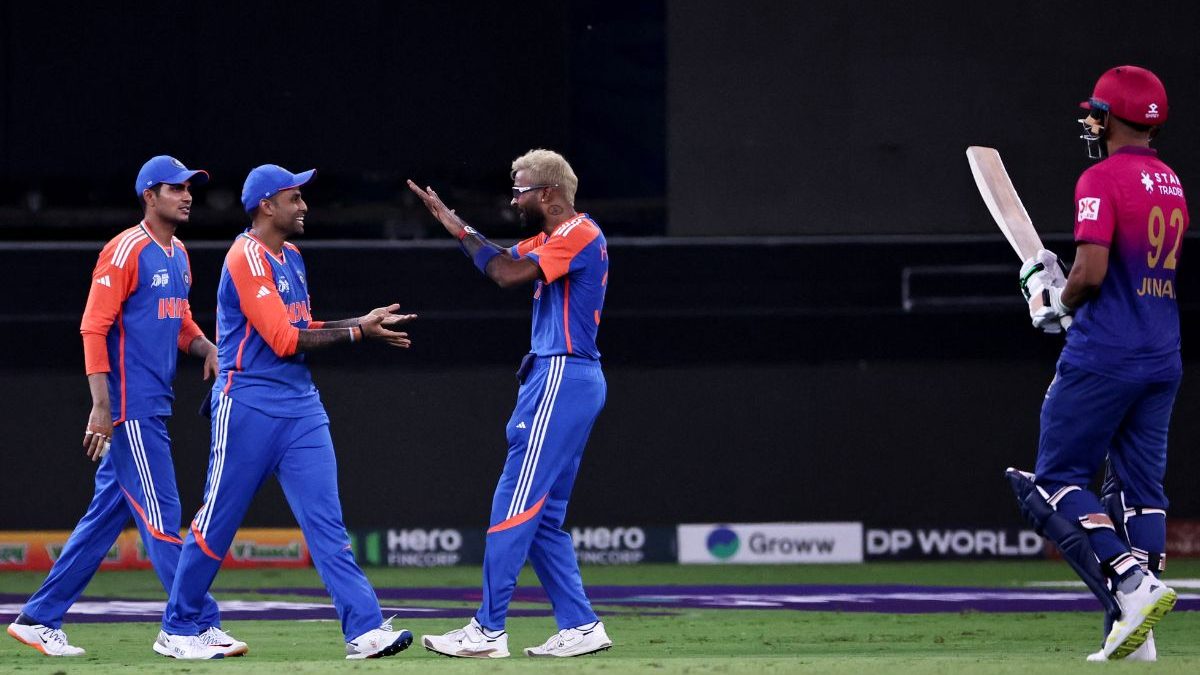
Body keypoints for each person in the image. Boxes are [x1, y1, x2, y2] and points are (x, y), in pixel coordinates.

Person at [154, 164, 417, 660]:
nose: (304, 207)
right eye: (295, 198)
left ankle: (364, 629)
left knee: (327, 524)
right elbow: (282, 339)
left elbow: (302, 325)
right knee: (217, 522)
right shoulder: (245, 255)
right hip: (247, 404)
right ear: (267, 205)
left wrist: (358, 323)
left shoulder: (291, 257)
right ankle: (179, 627)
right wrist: (357, 332)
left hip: (301, 407)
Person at [6, 156, 245, 658]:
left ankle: (38, 618)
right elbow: (93, 327)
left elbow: (177, 318)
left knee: (103, 521)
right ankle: (191, 625)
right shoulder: (124, 250)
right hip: (129, 408)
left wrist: (205, 346)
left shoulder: (178, 253)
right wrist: (101, 406)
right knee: (163, 515)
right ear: (149, 196)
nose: (187, 196)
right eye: (175, 188)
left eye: (189, 188)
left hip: (152, 404)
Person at [408, 149, 612, 658]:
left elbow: (504, 273)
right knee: (542, 518)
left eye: (520, 190)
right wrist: (453, 222)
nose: (514, 200)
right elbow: (499, 256)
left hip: (560, 375)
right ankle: (581, 625)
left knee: (514, 502)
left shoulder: (578, 233)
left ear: (549, 193)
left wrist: (453, 225)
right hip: (568, 377)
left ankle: (487, 630)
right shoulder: (556, 237)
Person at [1017, 65, 1184, 661]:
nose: (1091, 121)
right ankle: (1138, 636)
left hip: (1104, 354)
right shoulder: (1171, 181)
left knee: (1056, 479)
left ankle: (1132, 585)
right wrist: (1070, 294)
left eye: (1096, 113)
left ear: (1109, 118)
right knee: (1142, 492)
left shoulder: (1100, 177)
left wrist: (1053, 302)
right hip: (1162, 354)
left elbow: (1091, 272)